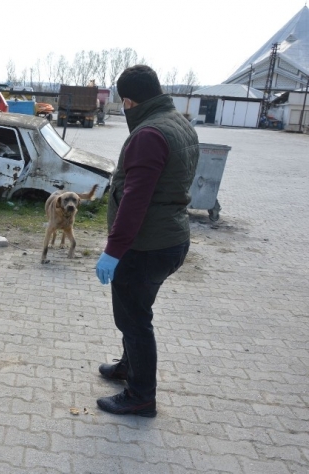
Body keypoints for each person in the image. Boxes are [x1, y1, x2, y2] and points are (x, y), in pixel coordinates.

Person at [94, 65, 199, 417]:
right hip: (171, 238)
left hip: (146, 246)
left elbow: (135, 201)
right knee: (137, 310)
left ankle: (141, 396)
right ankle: (128, 367)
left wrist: (113, 251)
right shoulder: (179, 122)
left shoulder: (148, 134)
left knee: (134, 321)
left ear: (127, 101)